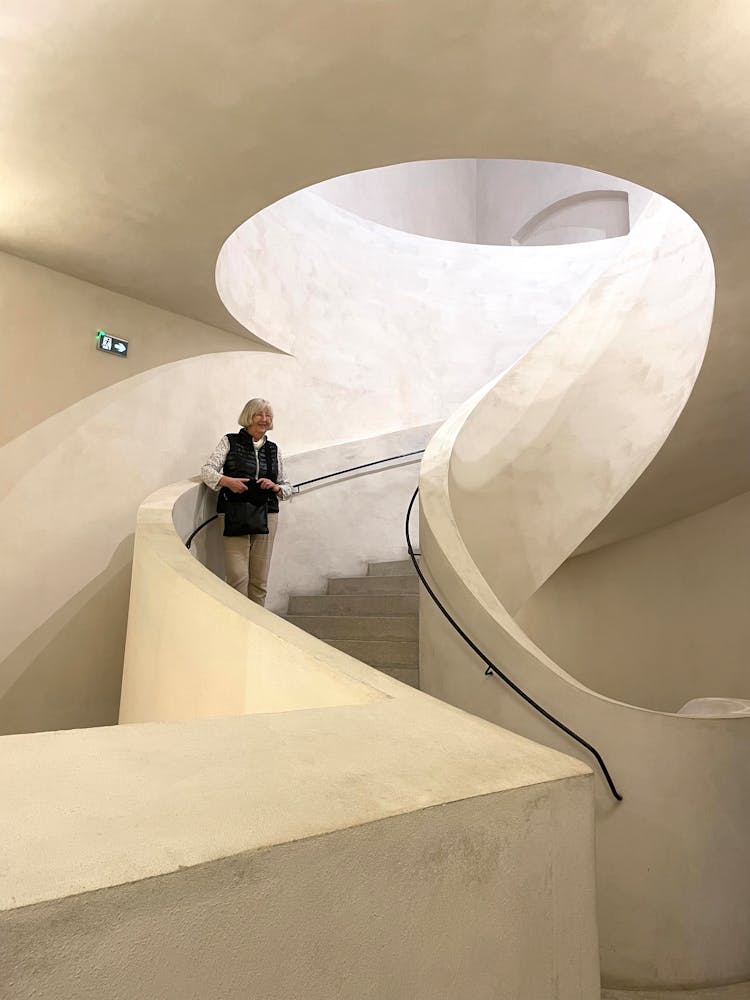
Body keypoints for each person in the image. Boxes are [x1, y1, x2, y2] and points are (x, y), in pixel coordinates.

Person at [201, 398, 292, 606]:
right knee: (237, 579)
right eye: (260, 414)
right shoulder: (229, 441)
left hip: (267, 514)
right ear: (248, 417)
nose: (264, 419)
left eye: (268, 415)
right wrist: (227, 481)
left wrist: (276, 487)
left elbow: (287, 486)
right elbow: (207, 471)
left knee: (259, 582)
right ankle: (236, 631)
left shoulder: (274, 449)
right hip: (234, 512)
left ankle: (257, 630)